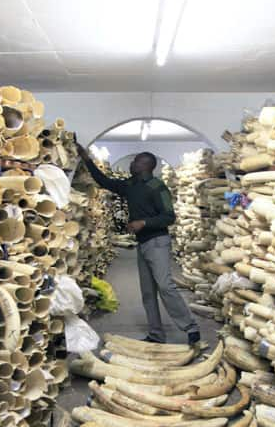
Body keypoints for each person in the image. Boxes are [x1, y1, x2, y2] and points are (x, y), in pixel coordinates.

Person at [76, 143, 200, 346]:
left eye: (135, 162)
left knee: (165, 286)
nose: (131, 164)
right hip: (143, 243)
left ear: (145, 165)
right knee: (148, 291)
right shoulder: (131, 185)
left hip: (158, 242)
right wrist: (87, 159)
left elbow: (169, 217)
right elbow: (104, 181)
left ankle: (191, 327)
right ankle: (156, 334)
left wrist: (143, 222)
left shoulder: (157, 187)